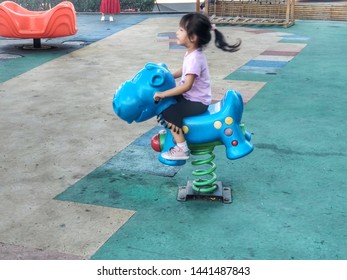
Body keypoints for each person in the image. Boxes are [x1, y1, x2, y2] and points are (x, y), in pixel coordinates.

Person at [154, 12, 241, 161]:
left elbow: (186, 86)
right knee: (166, 102)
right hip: (193, 98)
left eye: (181, 30)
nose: (177, 32)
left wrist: (165, 93)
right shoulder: (192, 53)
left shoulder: (195, 58)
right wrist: (168, 76)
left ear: (193, 38)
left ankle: (181, 148)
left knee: (168, 111)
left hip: (197, 102)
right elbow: (184, 71)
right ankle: (173, 131)